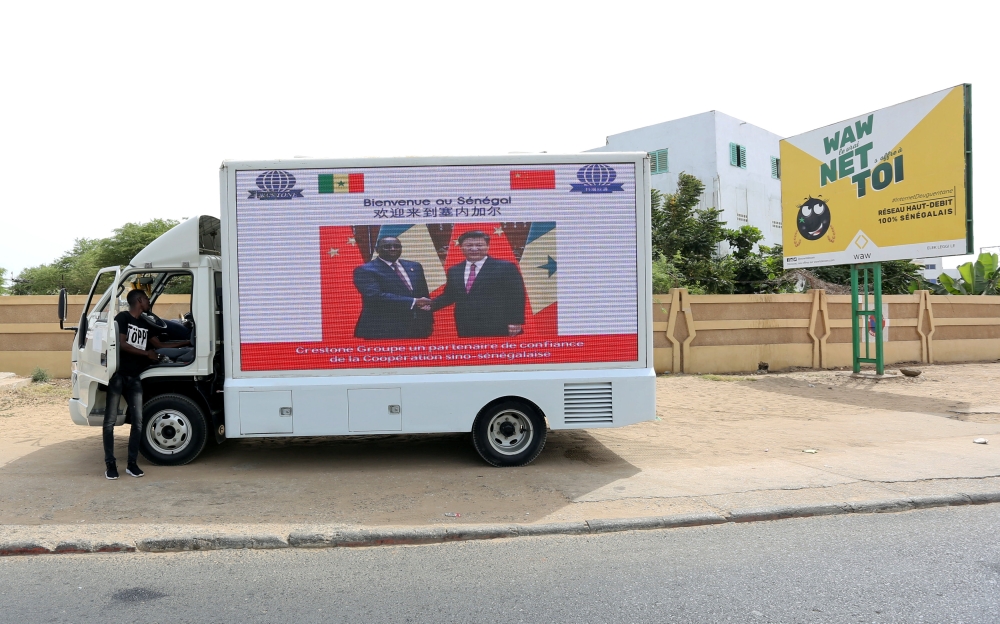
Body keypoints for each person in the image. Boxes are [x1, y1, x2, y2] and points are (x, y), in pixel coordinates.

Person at [104, 289, 191, 480]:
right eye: (147, 299)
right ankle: (110, 465)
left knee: (138, 422)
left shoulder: (144, 322)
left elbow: (159, 346)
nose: (149, 302)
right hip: (118, 376)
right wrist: (146, 354)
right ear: (140, 300)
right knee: (109, 422)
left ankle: (131, 464)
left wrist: (187, 342)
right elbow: (122, 344)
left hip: (135, 378)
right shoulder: (123, 318)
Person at [431, 230, 526, 337]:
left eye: (479, 245)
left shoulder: (505, 267)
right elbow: (450, 295)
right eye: (469, 245)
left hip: (498, 324)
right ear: (461, 247)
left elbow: (516, 295)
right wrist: (428, 305)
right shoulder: (454, 270)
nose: (474, 248)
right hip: (466, 325)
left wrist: (515, 321)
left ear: (487, 246)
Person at [353, 236, 434, 339]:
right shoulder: (365, 270)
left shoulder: (415, 266)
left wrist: (428, 321)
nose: (392, 249)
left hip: (416, 328)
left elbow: (424, 295)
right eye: (387, 246)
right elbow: (375, 296)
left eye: (396, 246)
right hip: (382, 329)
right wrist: (414, 301)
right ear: (377, 250)